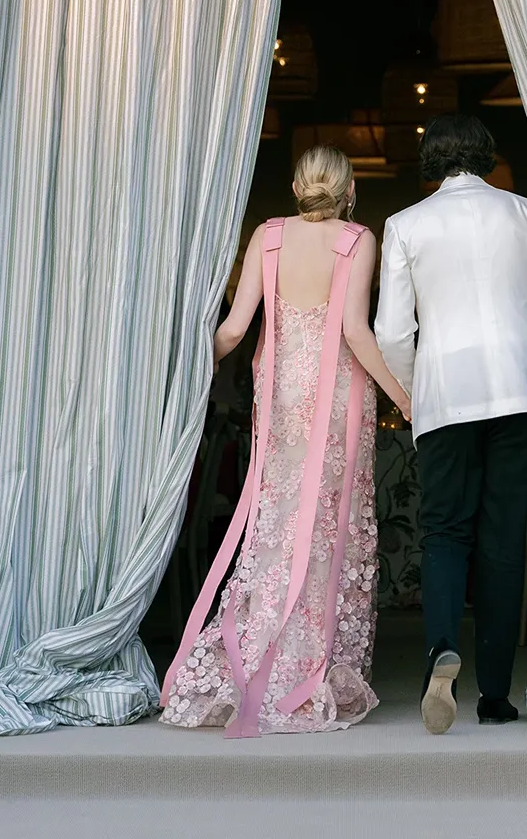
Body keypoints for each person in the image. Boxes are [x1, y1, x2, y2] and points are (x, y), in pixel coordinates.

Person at [161, 145, 412, 737]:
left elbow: (233, 328)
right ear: (350, 190)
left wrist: (178, 375)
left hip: (277, 403)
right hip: (335, 405)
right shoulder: (356, 238)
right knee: (329, 527)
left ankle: (257, 652)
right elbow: (353, 329)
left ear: (297, 187)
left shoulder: (267, 236)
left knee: (275, 525)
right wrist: (404, 395)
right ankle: (310, 663)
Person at [375, 114, 527, 733]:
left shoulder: (405, 225)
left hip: (446, 394)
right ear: (487, 156)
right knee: (503, 537)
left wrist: (413, 390)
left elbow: (391, 331)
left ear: (430, 162)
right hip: (519, 390)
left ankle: (440, 650)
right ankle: (495, 696)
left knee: (444, 533)